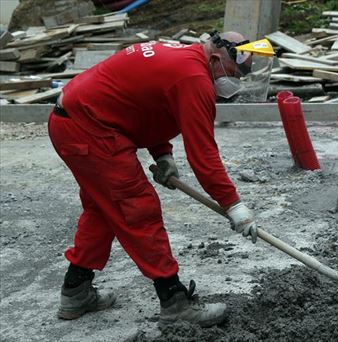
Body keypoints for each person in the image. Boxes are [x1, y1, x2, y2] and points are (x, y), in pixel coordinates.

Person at [48, 31, 258, 328]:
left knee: (104, 208)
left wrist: (163, 155)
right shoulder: (194, 79)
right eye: (238, 72)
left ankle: (75, 291)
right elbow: (204, 155)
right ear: (216, 58)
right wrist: (233, 205)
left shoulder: (184, 59)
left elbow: (146, 103)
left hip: (77, 120)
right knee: (137, 208)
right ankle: (175, 302)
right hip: (89, 128)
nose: (238, 80)